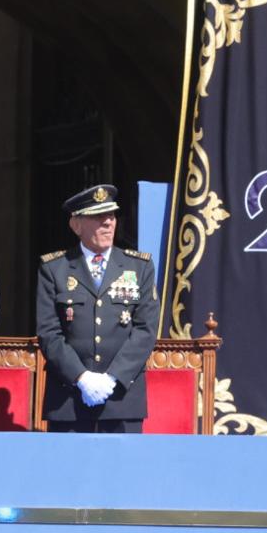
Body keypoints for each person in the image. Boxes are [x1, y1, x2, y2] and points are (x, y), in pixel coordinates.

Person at [35, 184, 159, 433]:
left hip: (122, 396)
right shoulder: (54, 268)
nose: (108, 223)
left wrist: (113, 377)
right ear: (76, 225)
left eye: (111, 215)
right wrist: (81, 378)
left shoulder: (139, 267)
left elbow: (146, 330)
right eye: (98, 216)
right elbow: (49, 332)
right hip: (69, 398)